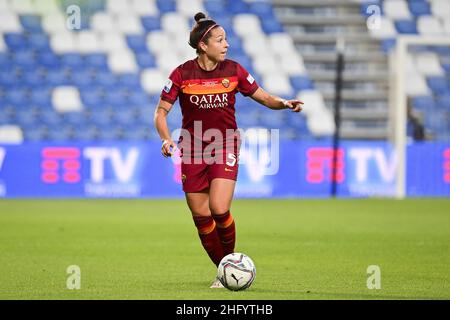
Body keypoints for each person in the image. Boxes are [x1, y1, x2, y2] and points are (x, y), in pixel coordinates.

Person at [154, 12, 303, 288]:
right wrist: (165, 139)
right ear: (203, 45)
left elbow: (264, 97)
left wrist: (283, 103)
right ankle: (225, 272)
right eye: (220, 40)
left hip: (224, 145)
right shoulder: (182, 74)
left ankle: (231, 263)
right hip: (193, 149)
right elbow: (160, 113)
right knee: (201, 218)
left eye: (226, 40)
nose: (226, 45)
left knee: (219, 208)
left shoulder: (234, 70)